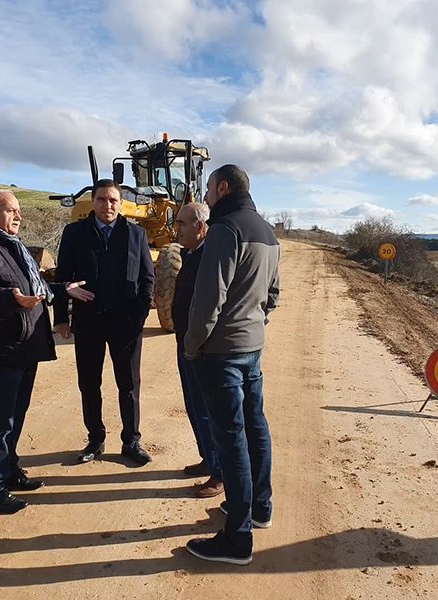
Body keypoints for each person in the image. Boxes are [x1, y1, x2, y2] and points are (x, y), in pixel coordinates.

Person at [183, 165, 280, 565]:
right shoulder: (268, 231)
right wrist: (255, 322)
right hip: (252, 347)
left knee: (232, 439)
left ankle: (236, 539)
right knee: (255, 426)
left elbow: (209, 299)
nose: (205, 196)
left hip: (220, 352)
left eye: (208, 189)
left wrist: (192, 345)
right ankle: (260, 508)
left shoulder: (225, 229)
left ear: (223, 188)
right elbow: (272, 294)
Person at [0, 190, 77, 513]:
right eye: (10, 210)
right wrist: (11, 299)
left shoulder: (15, 248)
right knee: (0, 421)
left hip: (26, 347)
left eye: (18, 211)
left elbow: (33, 290)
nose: (18, 216)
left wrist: (62, 289)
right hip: (5, 349)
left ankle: (9, 471)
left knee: (16, 415)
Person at [53, 179, 155, 466]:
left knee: (129, 384)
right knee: (89, 383)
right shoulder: (75, 233)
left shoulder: (136, 234)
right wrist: (61, 317)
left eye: (112, 200)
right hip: (88, 322)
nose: (107, 205)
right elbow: (63, 276)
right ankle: (95, 439)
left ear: (120, 203)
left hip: (126, 324)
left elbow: (148, 278)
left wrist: (140, 315)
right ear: (93, 202)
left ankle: (131, 440)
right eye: (101, 200)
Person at [172, 203, 224, 498]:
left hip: (201, 347)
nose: (176, 227)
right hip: (185, 341)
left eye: (181, 223)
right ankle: (208, 458)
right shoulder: (190, 254)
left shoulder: (209, 258)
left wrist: (196, 341)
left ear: (200, 227)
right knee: (193, 405)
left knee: (206, 410)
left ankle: (219, 474)